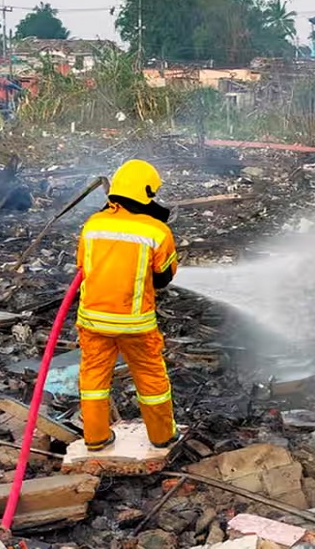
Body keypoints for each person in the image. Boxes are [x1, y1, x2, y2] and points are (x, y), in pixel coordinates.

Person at [76, 159, 180, 451]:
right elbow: (164, 277)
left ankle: (95, 437)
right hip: (135, 325)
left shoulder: (93, 225)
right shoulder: (156, 231)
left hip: (93, 321)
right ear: (146, 192)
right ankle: (162, 436)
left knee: (93, 379)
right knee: (150, 378)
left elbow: (83, 266)